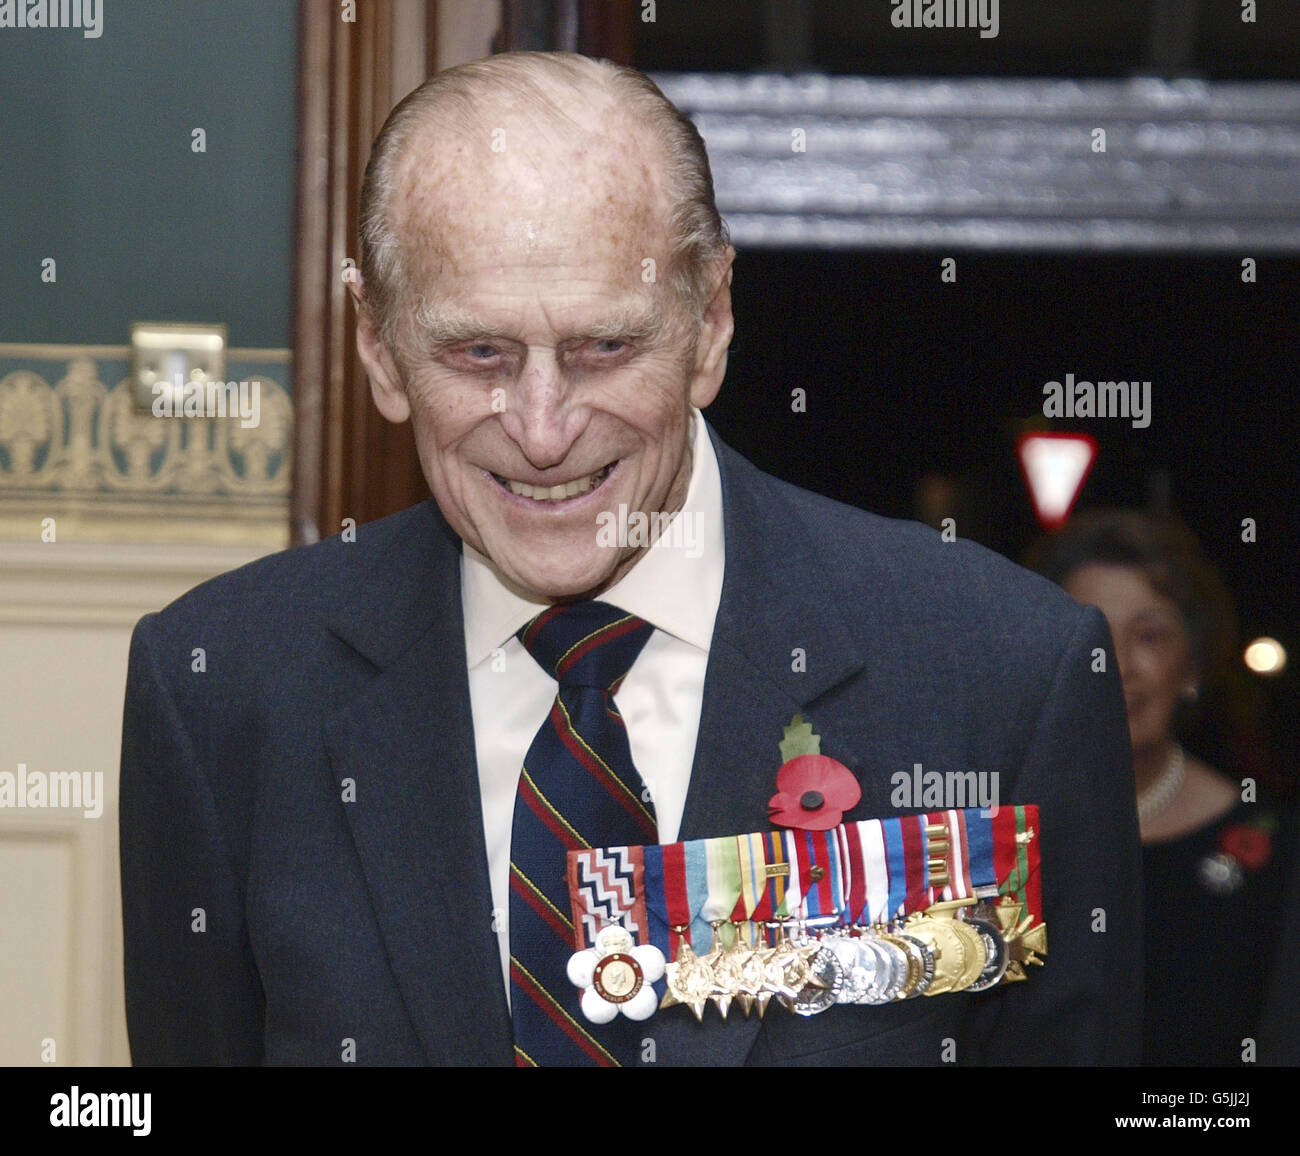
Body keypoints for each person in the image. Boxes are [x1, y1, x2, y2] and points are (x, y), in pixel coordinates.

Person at [119, 51, 1140, 1067]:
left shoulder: (1001, 671)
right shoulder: (224, 687)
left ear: (710, 324)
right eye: (478, 353)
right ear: (380, 350)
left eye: (605, 348)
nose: (543, 427)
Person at [1030, 509, 1295, 1065]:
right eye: (1090, 632)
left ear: (1192, 665)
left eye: (1149, 635)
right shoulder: (995, 834)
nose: (1117, 663)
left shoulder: (1274, 851)